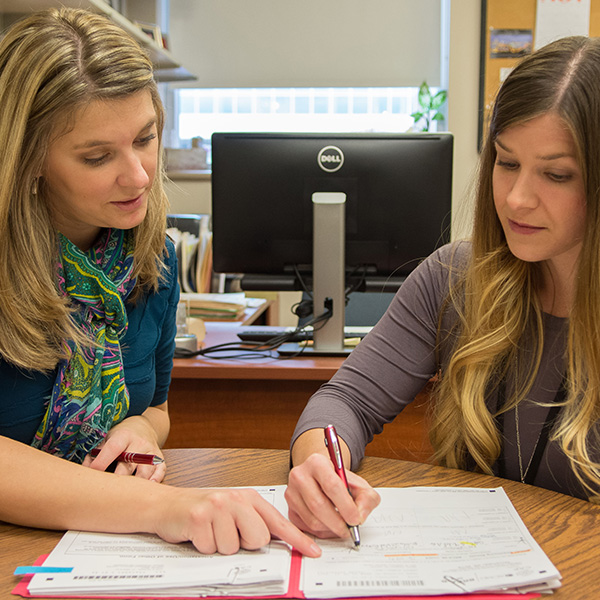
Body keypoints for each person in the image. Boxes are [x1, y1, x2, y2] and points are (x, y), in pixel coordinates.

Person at [0, 7, 320, 559]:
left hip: (93, 550)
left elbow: (157, 408)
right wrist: (162, 509)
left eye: (145, 138)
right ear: (28, 159)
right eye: (98, 156)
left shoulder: (155, 261)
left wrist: (143, 433)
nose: (140, 175)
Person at [286, 34, 600, 541]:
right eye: (506, 162)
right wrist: (322, 465)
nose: (517, 199)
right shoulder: (453, 277)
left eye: (556, 174)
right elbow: (347, 400)